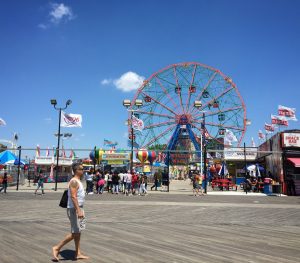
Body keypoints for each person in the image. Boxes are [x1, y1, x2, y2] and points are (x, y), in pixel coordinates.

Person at [52, 163, 89, 262]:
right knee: (74, 233)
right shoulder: (74, 182)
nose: (83, 170)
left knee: (78, 231)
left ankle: (78, 253)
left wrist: (80, 210)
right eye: (81, 169)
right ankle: (57, 248)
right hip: (74, 209)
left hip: (79, 208)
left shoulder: (78, 181)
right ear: (76, 170)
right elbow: (73, 196)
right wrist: (78, 210)